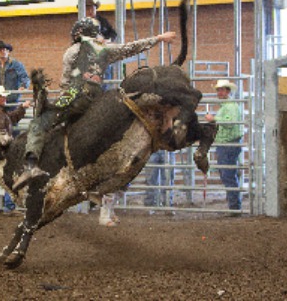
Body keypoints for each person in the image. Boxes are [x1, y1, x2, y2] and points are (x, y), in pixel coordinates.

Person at [13, 17, 176, 230]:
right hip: (96, 98)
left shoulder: (72, 51)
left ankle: (32, 165)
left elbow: (66, 81)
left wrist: (61, 99)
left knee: (40, 122)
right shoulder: (104, 49)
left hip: (74, 94)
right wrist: (159, 38)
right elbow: (131, 48)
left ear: (78, 33)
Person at [0, 85, 31, 215]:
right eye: (1, 96)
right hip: (1, 151)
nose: (4, 98)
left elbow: (11, 118)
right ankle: (8, 207)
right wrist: (9, 146)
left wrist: (22, 108)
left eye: (3, 96)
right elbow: (1, 134)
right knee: (7, 179)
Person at [205, 80, 242, 214]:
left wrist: (214, 119)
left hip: (228, 145)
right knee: (228, 175)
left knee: (228, 175)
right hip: (226, 144)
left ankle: (234, 207)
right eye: (218, 90)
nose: (219, 92)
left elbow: (230, 123)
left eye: (222, 90)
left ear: (227, 91)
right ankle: (234, 206)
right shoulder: (227, 106)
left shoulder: (229, 106)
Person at [83, 0, 117, 86]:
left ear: (95, 9)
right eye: (87, 9)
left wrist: (108, 40)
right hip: (89, 58)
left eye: (92, 8)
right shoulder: (81, 25)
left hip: (104, 55)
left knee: (106, 78)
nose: (90, 11)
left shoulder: (103, 21)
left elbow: (113, 33)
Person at [0, 40, 30, 110]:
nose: (3, 51)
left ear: (8, 52)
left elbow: (24, 77)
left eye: (5, 49)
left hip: (12, 98)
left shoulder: (16, 65)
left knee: (13, 116)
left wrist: (23, 86)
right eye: (0, 50)